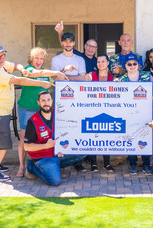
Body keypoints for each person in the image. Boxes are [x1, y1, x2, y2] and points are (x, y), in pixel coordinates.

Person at [0, 44, 54, 181]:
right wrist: (39, 82)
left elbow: (15, 65)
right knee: (2, 144)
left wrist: (20, 68)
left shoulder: (1, 65)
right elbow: (18, 80)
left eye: (2, 55)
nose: (1, 58)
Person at [16, 47, 68, 177]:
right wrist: (55, 72)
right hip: (27, 108)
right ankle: (22, 166)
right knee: (24, 138)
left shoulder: (46, 72)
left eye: (41, 59)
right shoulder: (28, 70)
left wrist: (64, 72)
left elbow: (54, 80)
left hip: (43, 110)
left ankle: (37, 161)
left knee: (43, 136)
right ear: (31, 59)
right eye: (36, 58)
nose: (39, 61)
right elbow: (35, 74)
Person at [24, 91, 86, 185]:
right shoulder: (33, 121)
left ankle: (54, 168)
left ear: (52, 101)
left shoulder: (58, 113)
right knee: (55, 181)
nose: (46, 103)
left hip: (57, 153)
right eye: (43, 100)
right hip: (43, 157)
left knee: (83, 151)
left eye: (48, 100)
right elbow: (27, 147)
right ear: (38, 102)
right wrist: (45, 146)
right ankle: (32, 167)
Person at [51, 32, 87, 172]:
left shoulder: (80, 59)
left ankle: (77, 161)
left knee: (77, 127)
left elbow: (82, 78)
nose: (67, 43)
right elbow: (55, 79)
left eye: (70, 41)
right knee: (62, 127)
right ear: (62, 43)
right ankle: (61, 157)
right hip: (61, 99)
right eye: (65, 41)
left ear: (74, 43)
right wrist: (65, 71)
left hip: (78, 99)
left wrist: (64, 76)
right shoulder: (56, 59)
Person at [117, 54, 153, 175]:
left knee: (145, 138)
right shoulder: (121, 79)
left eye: (135, 64)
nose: (132, 66)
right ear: (125, 65)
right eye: (129, 64)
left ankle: (146, 165)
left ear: (139, 65)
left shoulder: (146, 76)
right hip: (128, 114)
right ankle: (132, 164)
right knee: (130, 138)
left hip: (145, 112)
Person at [84, 54, 115, 172]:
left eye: (103, 61)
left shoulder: (112, 78)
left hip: (107, 110)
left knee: (106, 135)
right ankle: (93, 162)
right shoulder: (91, 75)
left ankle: (106, 162)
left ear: (108, 63)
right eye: (98, 62)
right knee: (93, 135)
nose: (100, 64)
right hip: (92, 109)